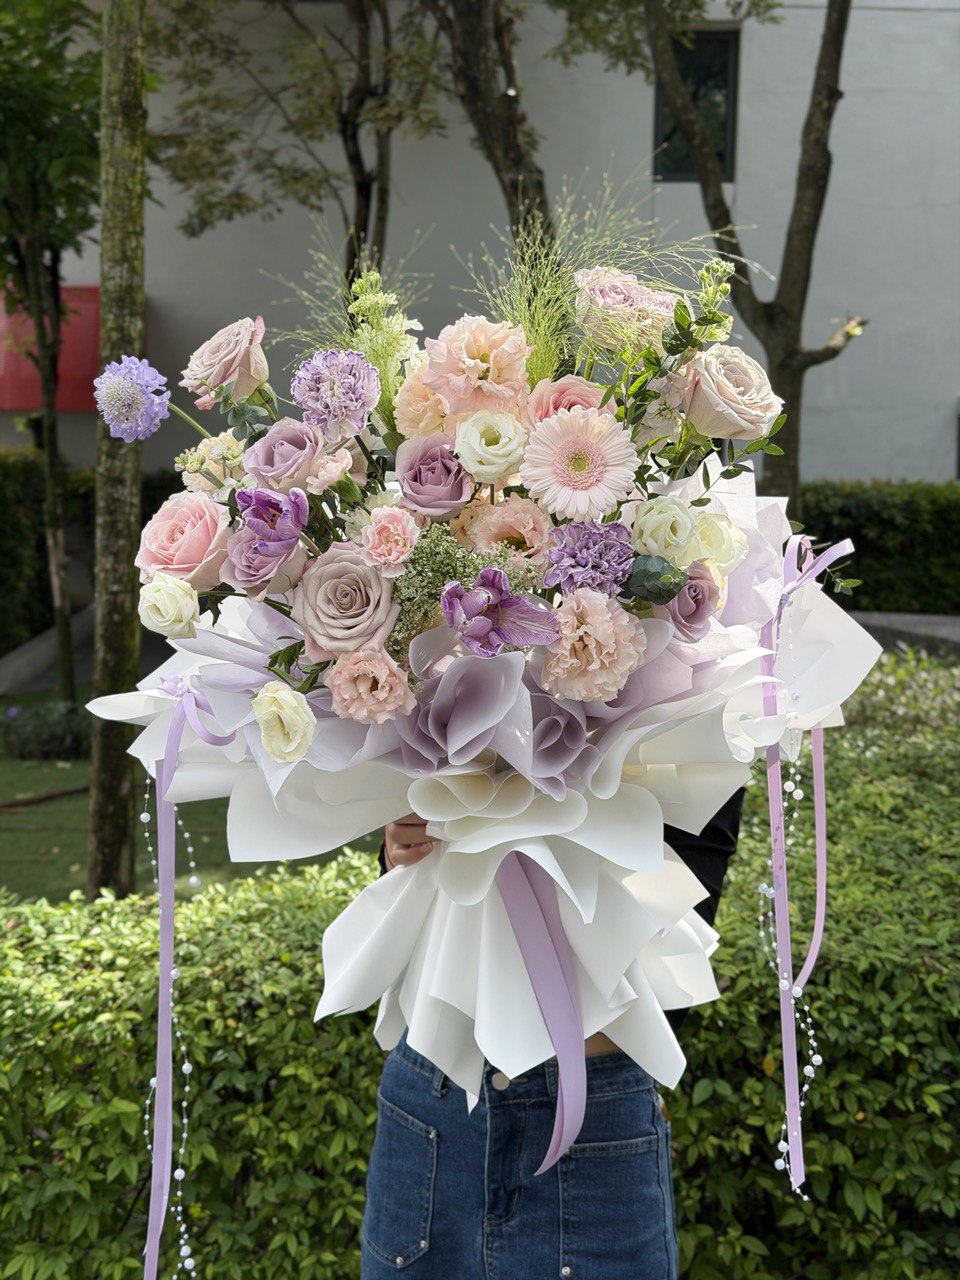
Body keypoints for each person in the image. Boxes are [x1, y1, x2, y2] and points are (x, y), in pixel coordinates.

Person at [360, 792, 744, 1279]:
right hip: (435, 1087)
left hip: (591, 1099)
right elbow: (405, 844)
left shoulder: (695, 718)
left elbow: (696, 849)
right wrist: (401, 842)